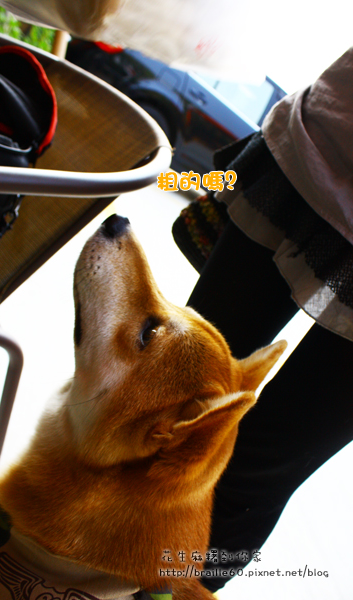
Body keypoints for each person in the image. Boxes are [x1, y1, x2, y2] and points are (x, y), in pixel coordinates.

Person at [176, 47, 353, 592]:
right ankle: (44, 557)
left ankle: (163, 589)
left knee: (255, 472)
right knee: (171, 396)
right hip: (322, 154)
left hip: (322, 149)